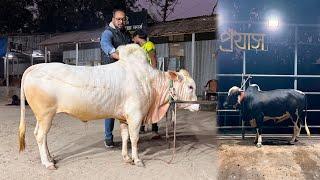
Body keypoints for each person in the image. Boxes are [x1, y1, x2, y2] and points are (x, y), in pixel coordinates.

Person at [100, 9, 131, 148]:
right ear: (113, 19)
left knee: (127, 104)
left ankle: (128, 136)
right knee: (111, 106)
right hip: (111, 75)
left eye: (123, 19)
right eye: (118, 19)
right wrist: (121, 56)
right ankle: (108, 137)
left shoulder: (126, 33)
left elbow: (131, 48)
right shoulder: (107, 33)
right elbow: (107, 47)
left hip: (125, 75)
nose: (121, 22)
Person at [132, 29, 160, 139]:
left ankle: (154, 128)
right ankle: (142, 127)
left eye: (133, 37)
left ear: (137, 36)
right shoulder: (139, 48)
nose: (133, 40)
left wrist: (153, 74)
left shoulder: (148, 44)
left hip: (150, 78)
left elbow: (153, 59)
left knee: (153, 104)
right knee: (142, 103)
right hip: (142, 79)